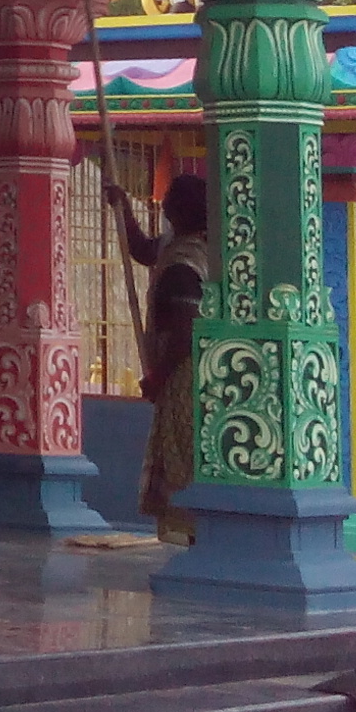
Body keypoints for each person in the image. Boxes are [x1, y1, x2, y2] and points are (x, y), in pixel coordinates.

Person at [116, 173, 214, 541]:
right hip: (194, 371)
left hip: (185, 375)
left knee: (181, 456)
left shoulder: (186, 263)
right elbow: (142, 250)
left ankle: (185, 532)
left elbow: (186, 328)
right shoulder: (188, 245)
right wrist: (123, 207)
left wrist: (159, 375)